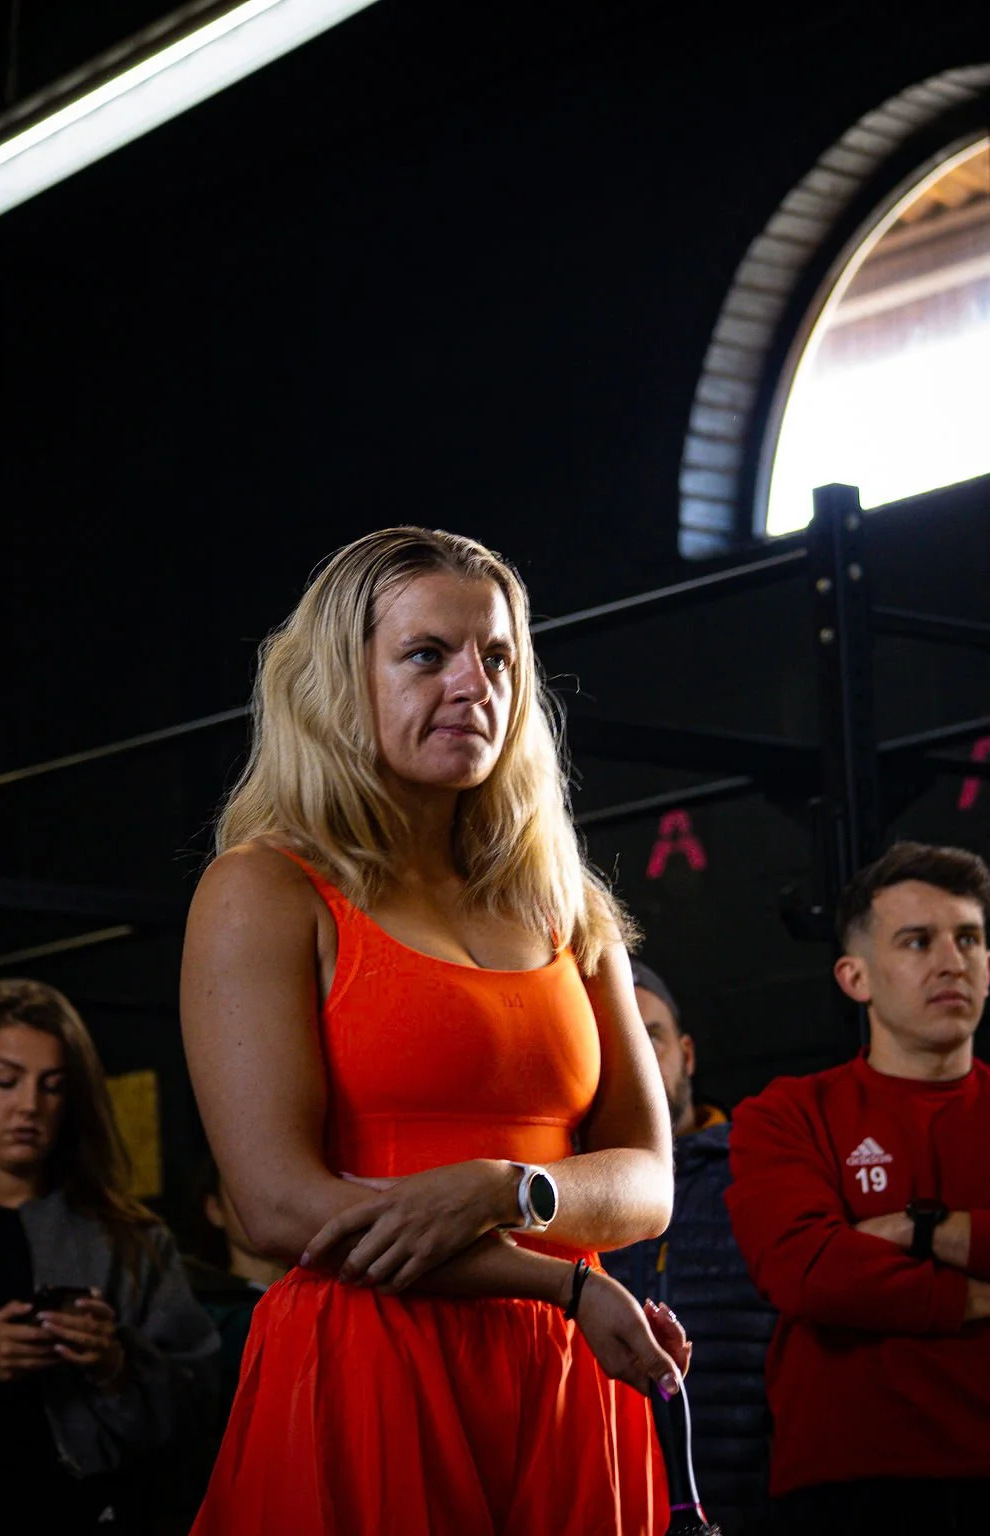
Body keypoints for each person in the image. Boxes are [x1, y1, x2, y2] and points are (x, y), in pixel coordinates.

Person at [180, 525, 689, 1536]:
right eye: (427, 655)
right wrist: (556, 1282)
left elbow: (648, 1181)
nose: (474, 684)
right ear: (339, 682)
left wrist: (510, 1188)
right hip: (372, 1361)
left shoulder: (564, 907)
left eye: (497, 655)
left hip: (564, 1373)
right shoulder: (264, 888)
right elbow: (280, 1208)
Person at [726, 841, 990, 1534]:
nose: (952, 961)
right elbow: (806, 1271)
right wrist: (969, 1294)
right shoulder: (783, 1115)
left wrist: (916, 1227)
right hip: (848, 1484)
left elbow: (838, 1269)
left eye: (969, 939)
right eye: (917, 941)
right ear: (855, 977)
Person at [0, 977, 219, 1533]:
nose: (28, 1106)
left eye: (52, 1086)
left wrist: (115, 1363)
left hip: (91, 1511)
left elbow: (201, 1403)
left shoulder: (129, 1238)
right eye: (6, 1081)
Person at [604, 959, 775, 1535]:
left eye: (647, 1032)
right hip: (612, 1495)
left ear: (687, 1054)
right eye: (612, 1032)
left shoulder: (759, 1168)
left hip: (756, 1494)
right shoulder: (555, 1196)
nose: (634, 1051)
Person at [183, 1152, 287, 1416]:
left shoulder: (326, 1295)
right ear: (214, 1209)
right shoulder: (200, 1310)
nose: (267, 1204)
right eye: (246, 1193)